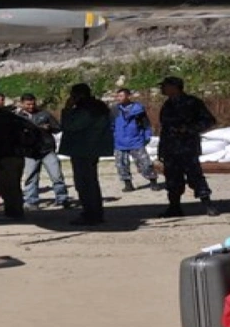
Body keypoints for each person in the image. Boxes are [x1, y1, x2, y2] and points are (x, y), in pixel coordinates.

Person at [156, 76, 220, 217]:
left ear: (174, 87)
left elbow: (209, 120)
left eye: (165, 86)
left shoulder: (193, 102)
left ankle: (208, 205)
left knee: (195, 177)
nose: (162, 89)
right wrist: (161, 150)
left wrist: (188, 129)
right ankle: (174, 207)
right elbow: (165, 129)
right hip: (170, 149)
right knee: (172, 179)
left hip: (187, 148)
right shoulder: (167, 105)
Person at [57, 83, 114, 226]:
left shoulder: (87, 109)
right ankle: (94, 212)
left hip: (83, 149)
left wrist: (68, 109)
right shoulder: (97, 106)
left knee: (85, 183)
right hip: (90, 148)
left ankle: (91, 213)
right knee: (90, 182)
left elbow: (70, 126)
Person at [17, 93, 72, 210]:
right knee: (31, 178)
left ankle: (62, 199)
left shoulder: (44, 114)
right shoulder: (18, 118)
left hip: (47, 150)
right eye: (28, 104)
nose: (31, 106)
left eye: (32, 104)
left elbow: (57, 128)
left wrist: (49, 128)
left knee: (56, 176)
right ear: (22, 104)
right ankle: (31, 201)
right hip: (29, 152)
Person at [112, 88, 160, 192]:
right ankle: (128, 184)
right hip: (120, 142)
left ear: (128, 96)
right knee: (121, 165)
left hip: (135, 140)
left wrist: (147, 137)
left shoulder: (138, 110)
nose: (119, 98)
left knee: (145, 163)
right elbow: (111, 125)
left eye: (121, 96)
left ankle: (153, 182)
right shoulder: (114, 110)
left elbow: (146, 124)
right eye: (118, 96)